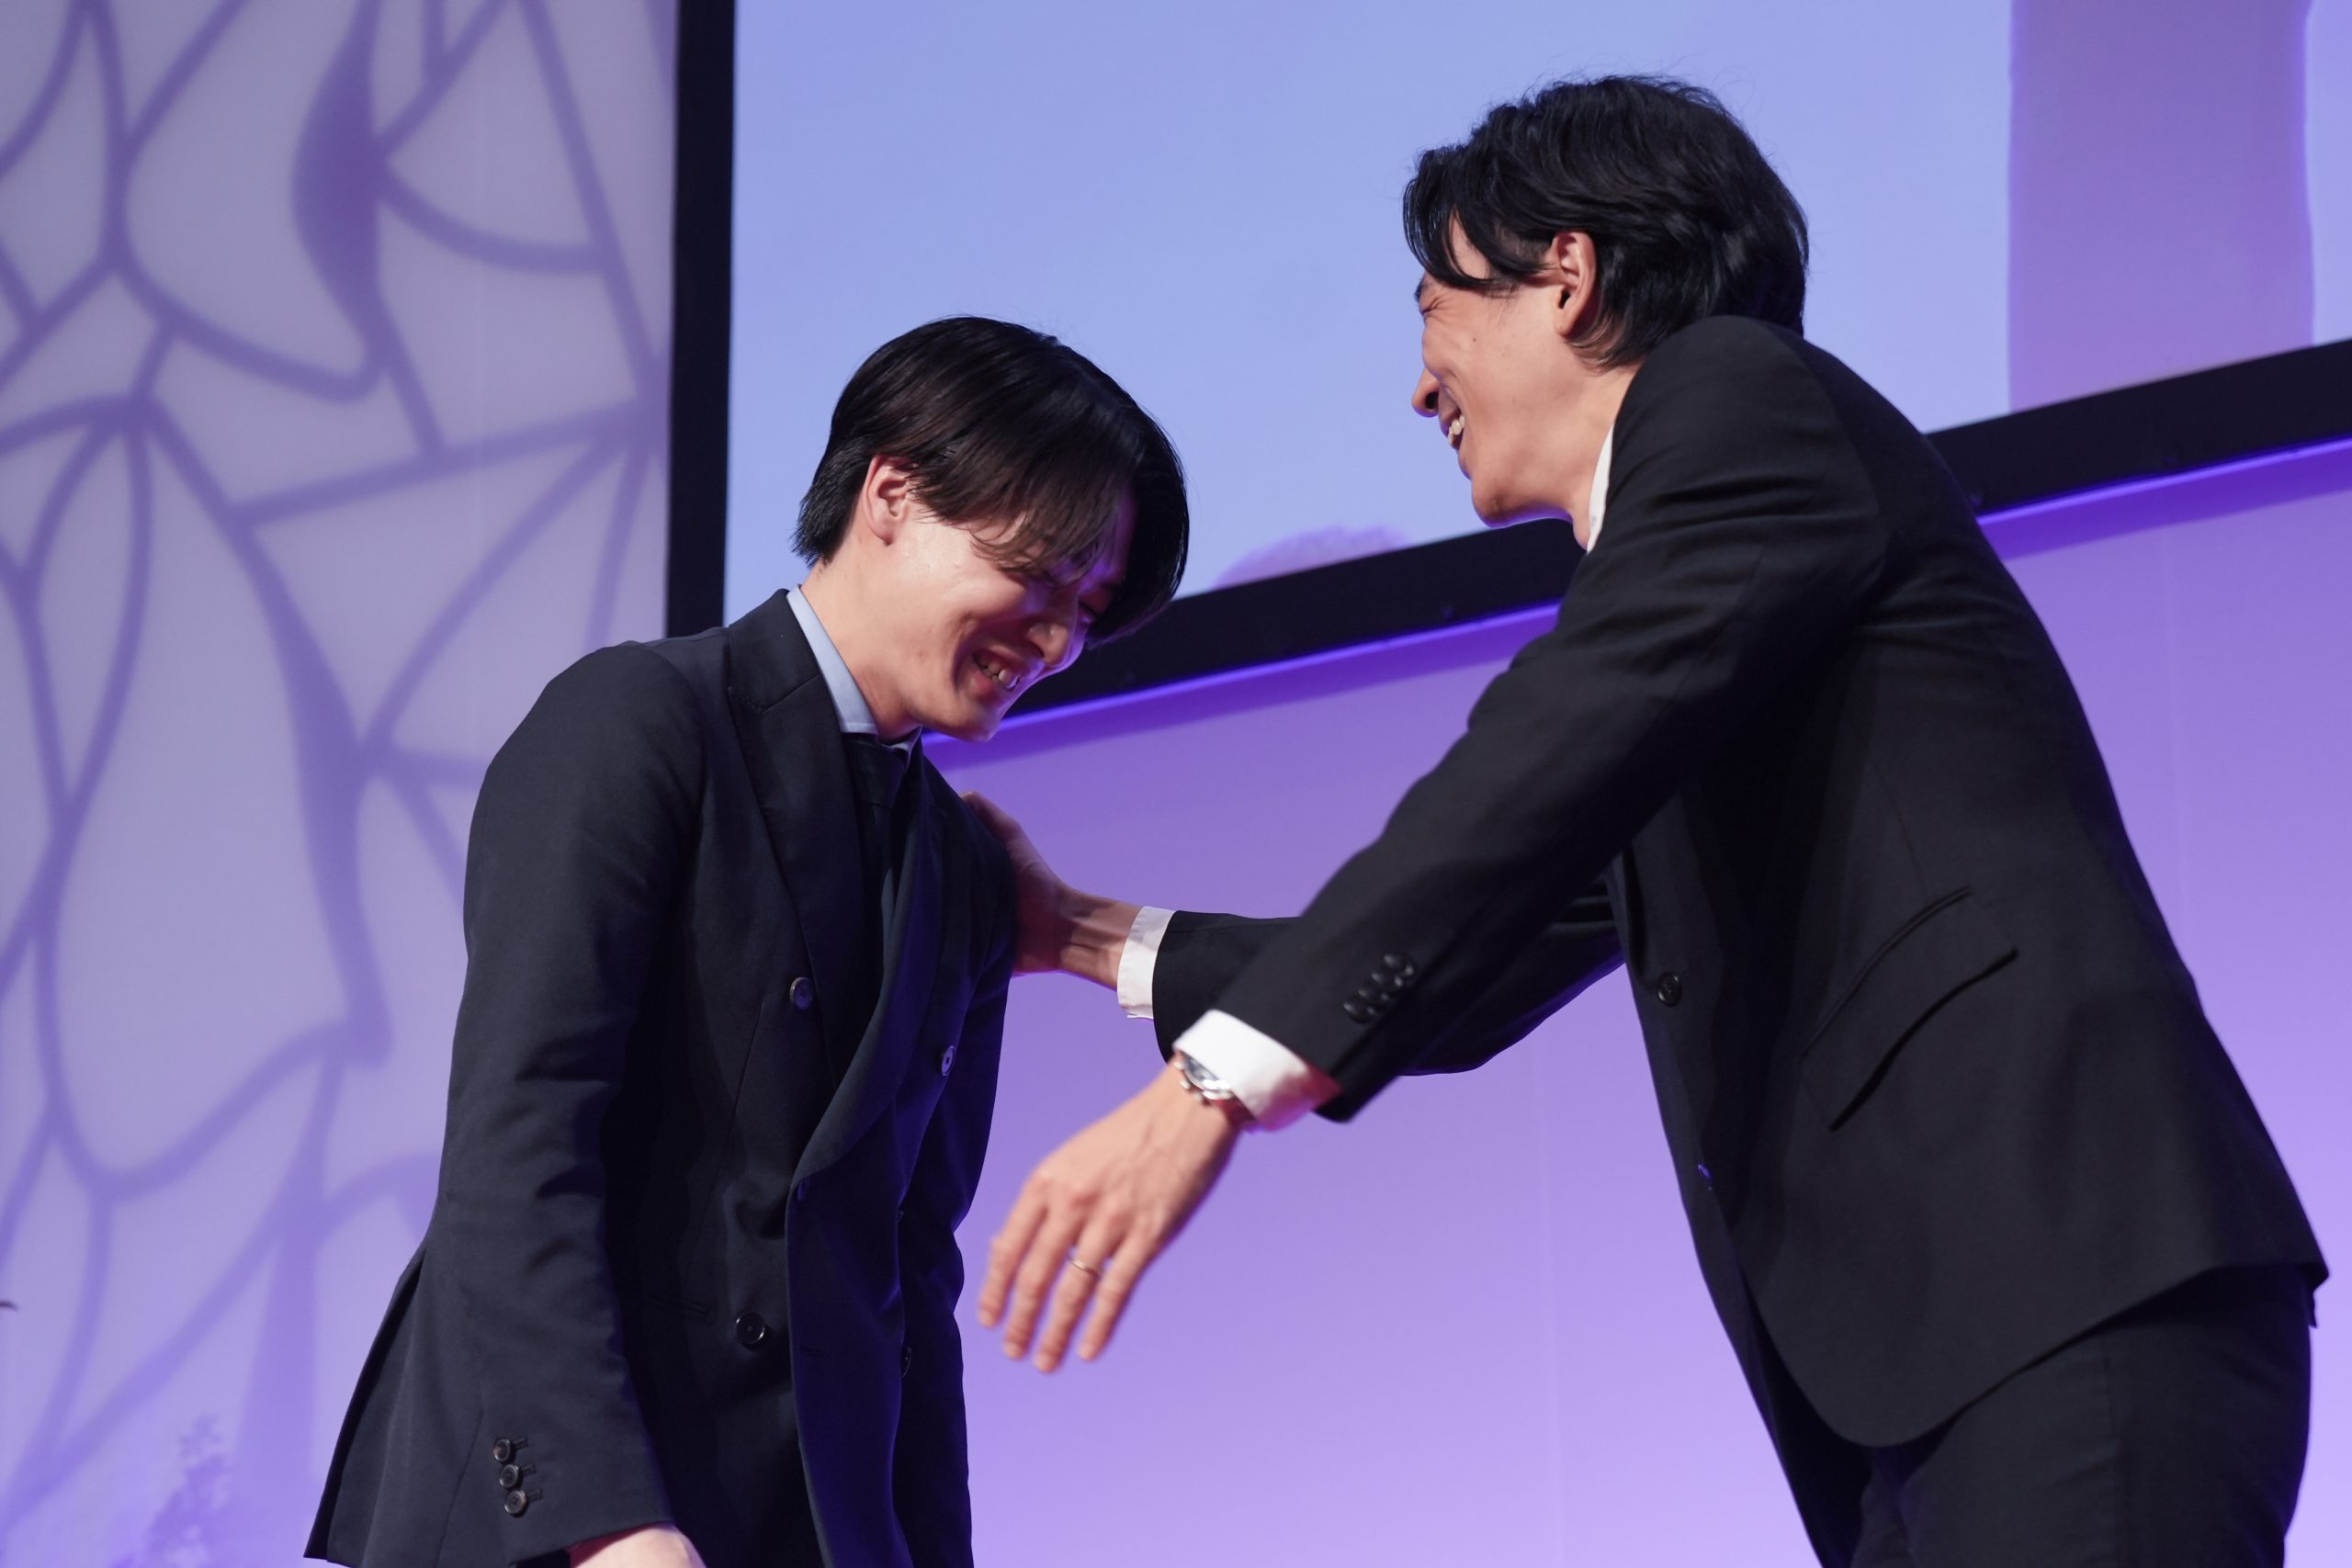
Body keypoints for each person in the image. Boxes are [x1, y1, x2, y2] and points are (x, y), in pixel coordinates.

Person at [971, 77, 2324, 1566]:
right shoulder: (1720, 604)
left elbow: (1546, 755)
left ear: (1567, 275)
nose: (1420, 388)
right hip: (1950, 1369)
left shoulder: (1739, 397)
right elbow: (1482, 954)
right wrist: (1080, 936)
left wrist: (1208, 1091)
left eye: (1434, 309)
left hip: (2064, 1301)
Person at [306, 316, 1188, 1568]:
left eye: (1088, 611)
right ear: (892, 494)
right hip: (567, 1518)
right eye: (1038, 577)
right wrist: (609, 1522)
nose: (1054, 643)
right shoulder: (639, 720)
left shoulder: (966, 867)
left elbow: (906, 1273)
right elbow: (518, 1152)